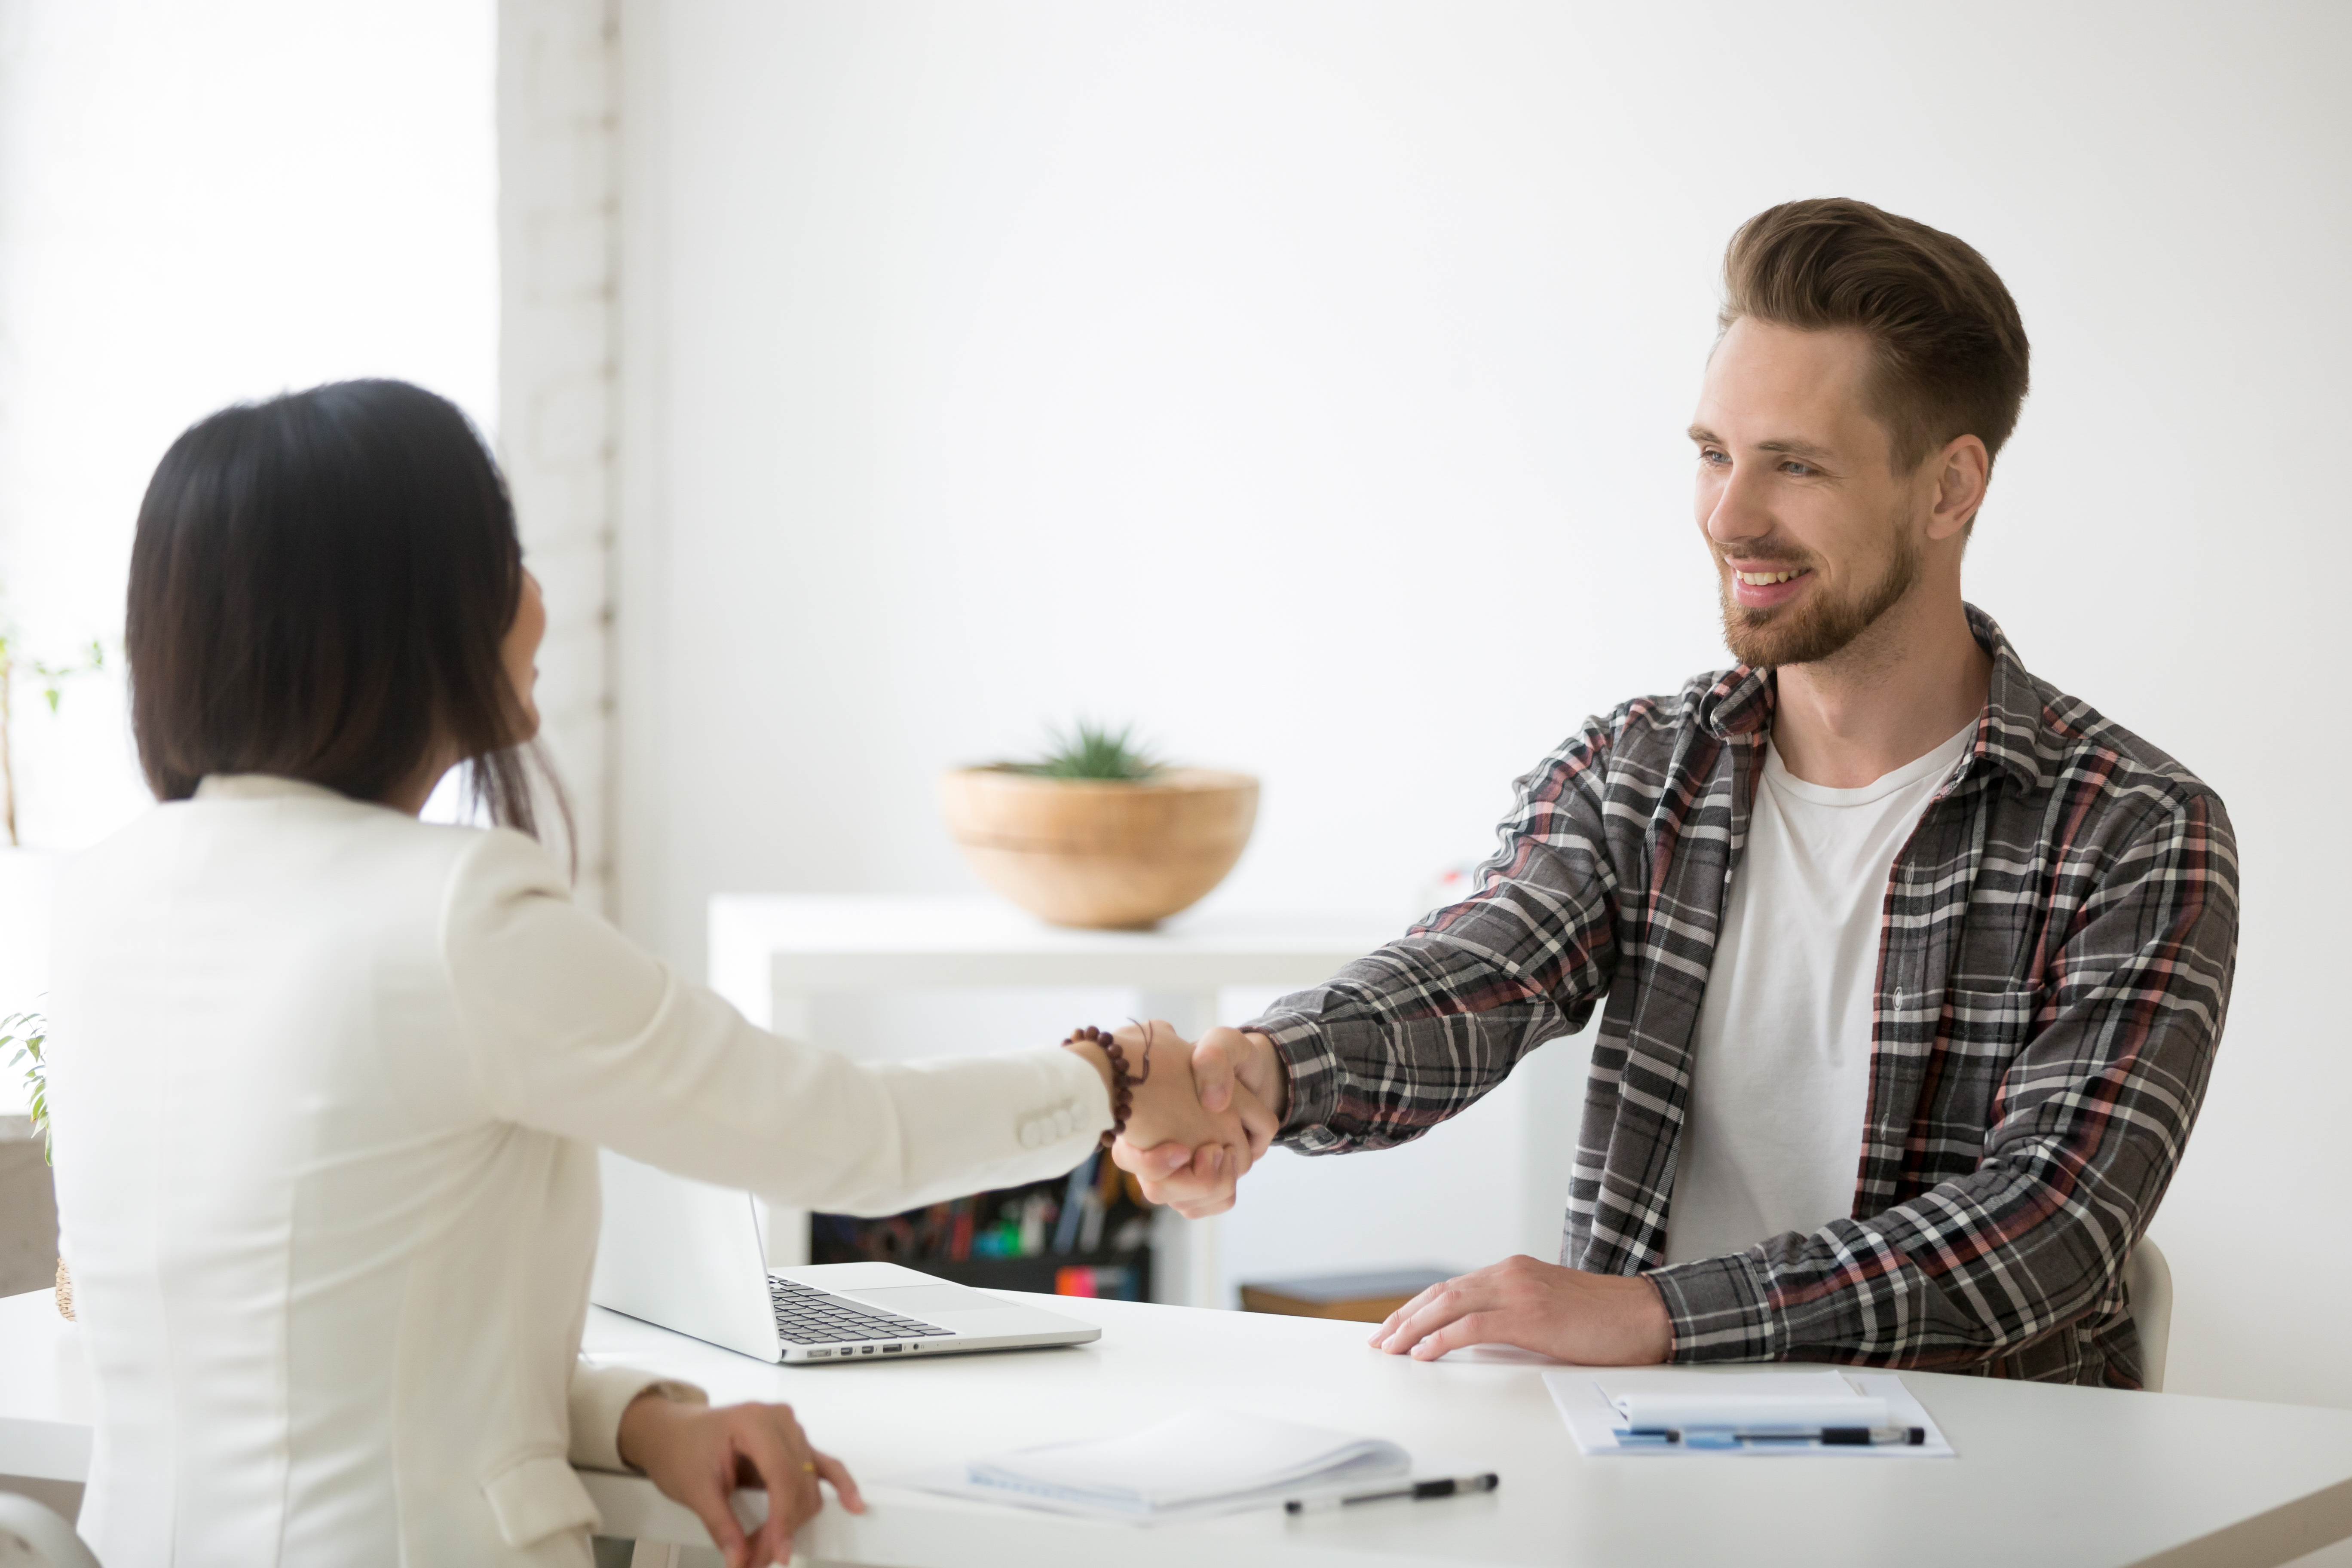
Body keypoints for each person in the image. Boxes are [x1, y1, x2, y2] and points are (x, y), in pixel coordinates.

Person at [44, 380, 1256, 1568]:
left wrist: (643, 1418)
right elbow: (842, 1133)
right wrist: (1109, 1076)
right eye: (502, 556)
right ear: (407, 611)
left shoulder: (99, 900)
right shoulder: (454, 914)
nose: (533, 598)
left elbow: (318, 1360)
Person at [1113, 197, 2237, 1388]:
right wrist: (1269, 1075)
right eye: (1713, 454)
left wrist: (1653, 1315)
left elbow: (2044, 1234)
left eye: (1794, 466)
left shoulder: (2137, 831)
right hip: (1641, 1473)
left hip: (1980, 1486)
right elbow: (1480, 967)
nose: (1729, 516)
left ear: (1951, 488)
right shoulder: (1644, 768)